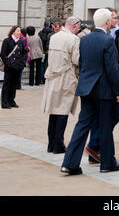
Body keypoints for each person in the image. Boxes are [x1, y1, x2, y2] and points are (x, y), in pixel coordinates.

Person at [61, 9, 119, 175]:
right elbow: (112, 69)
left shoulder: (85, 39)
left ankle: (69, 163)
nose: (114, 21)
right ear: (107, 22)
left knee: (82, 126)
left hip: (87, 88)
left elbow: (82, 64)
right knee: (105, 125)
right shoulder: (108, 41)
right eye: (112, 19)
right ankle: (107, 163)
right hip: (104, 90)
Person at [41, 17, 80, 154]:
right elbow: (76, 60)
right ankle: (58, 144)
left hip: (52, 76)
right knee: (63, 111)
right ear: (74, 26)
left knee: (53, 111)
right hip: (65, 77)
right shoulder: (73, 39)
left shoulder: (54, 37)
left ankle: (51, 144)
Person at [1, 26, 28, 108]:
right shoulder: (7, 41)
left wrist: (22, 63)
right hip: (9, 67)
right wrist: (8, 63)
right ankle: (4, 102)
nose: (19, 32)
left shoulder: (21, 41)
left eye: (20, 31)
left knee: (14, 85)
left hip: (17, 67)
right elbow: (3, 54)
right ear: (13, 32)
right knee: (7, 85)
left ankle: (11, 100)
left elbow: (24, 53)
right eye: (17, 30)